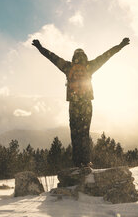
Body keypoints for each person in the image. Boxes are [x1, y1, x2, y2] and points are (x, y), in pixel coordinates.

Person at [32, 37, 130, 167]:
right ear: (84, 56)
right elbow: (107, 55)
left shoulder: (67, 66)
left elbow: (52, 57)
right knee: (85, 132)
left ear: (74, 57)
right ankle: (86, 161)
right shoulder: (90, 66)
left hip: (74, 104)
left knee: (75, 133)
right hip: (86, 104)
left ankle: (77, 162)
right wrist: (121, 45)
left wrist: (39, 47)